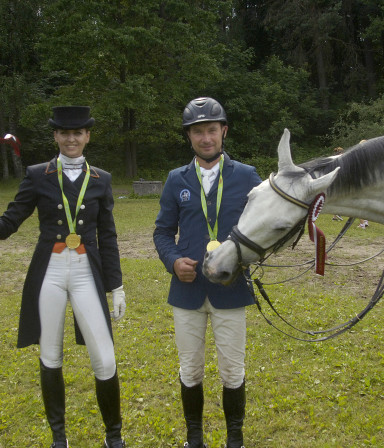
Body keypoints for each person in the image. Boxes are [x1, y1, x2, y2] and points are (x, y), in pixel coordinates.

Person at [0, 106, 127, 448]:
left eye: (78, 133)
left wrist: (116, 285)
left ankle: (113, 437)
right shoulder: (37, 174)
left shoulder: (101, 179)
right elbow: (7, 226)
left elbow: (108, 236)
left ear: (88, 136)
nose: (71, 138)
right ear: (55, 136)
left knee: (104, 357)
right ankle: (58, 438)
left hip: (86, 273)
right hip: (50, 271)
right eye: (64, 133)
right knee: (50, 354)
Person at [153, 97, 261, 448]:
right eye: (197, 132)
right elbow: (162, 231)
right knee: (191, 370)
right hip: (188, 290)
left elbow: (261, 226)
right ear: (189, 137)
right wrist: (172, 261)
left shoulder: (246, 177)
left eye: (212, 130)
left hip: (230, 288)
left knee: (232, 371)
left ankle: (235, 440)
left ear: (223, 131)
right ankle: (194, 439)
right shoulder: (176, 179)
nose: (206, 138)